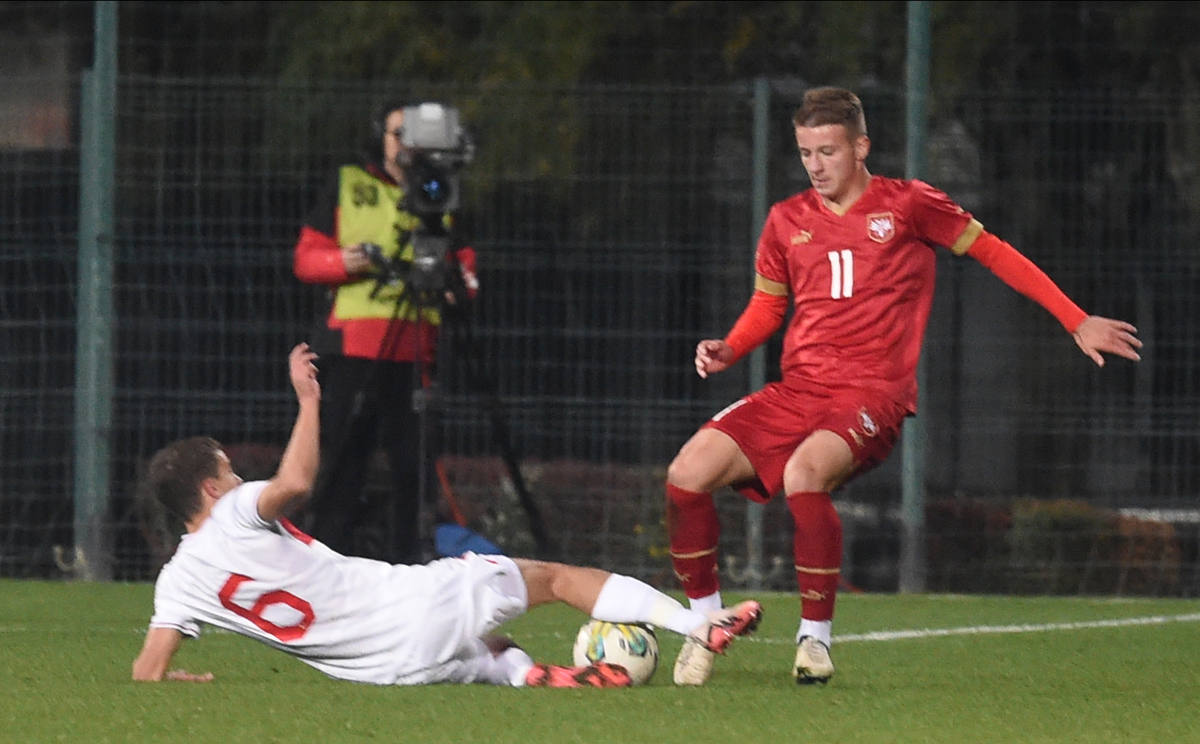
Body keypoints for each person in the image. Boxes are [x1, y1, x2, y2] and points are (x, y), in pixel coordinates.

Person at [665, 86, 1143, 686]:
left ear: (861, 147)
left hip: (872, 395)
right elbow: (768, 306)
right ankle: (707, 624)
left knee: (802, 476)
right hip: (799, 389)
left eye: (828, 151)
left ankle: (814, 640)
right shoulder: (786, 220)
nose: (815, 165)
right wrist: (731, 347)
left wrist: (1076, 319)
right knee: (687, 474)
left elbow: (994, 253)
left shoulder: (911, 205)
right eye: (806, 152)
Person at [131, 344, 762, 688]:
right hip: (412, 605)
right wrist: (309, 401)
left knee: (489, 646)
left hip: (383, 672)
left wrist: (183, 679)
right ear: (212, 489)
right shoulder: (238, 511)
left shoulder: (178, 581)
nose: (240, 477)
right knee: (554, 578)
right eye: (230, 470)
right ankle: (696, 625)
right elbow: (297, 479)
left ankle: (536, 678)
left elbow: (146, 673)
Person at [292, 101, 477, 564]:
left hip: (417, 352)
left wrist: (457, 289)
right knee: (341, 466)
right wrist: (345, 262)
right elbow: (306, 260)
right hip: (353, 350)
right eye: (399, 133)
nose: (408, 144)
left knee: (415, 474)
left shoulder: (443, 194)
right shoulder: (349, 184)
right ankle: (324, 565)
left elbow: (466, 270)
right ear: (381, 138)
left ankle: (412, 568)